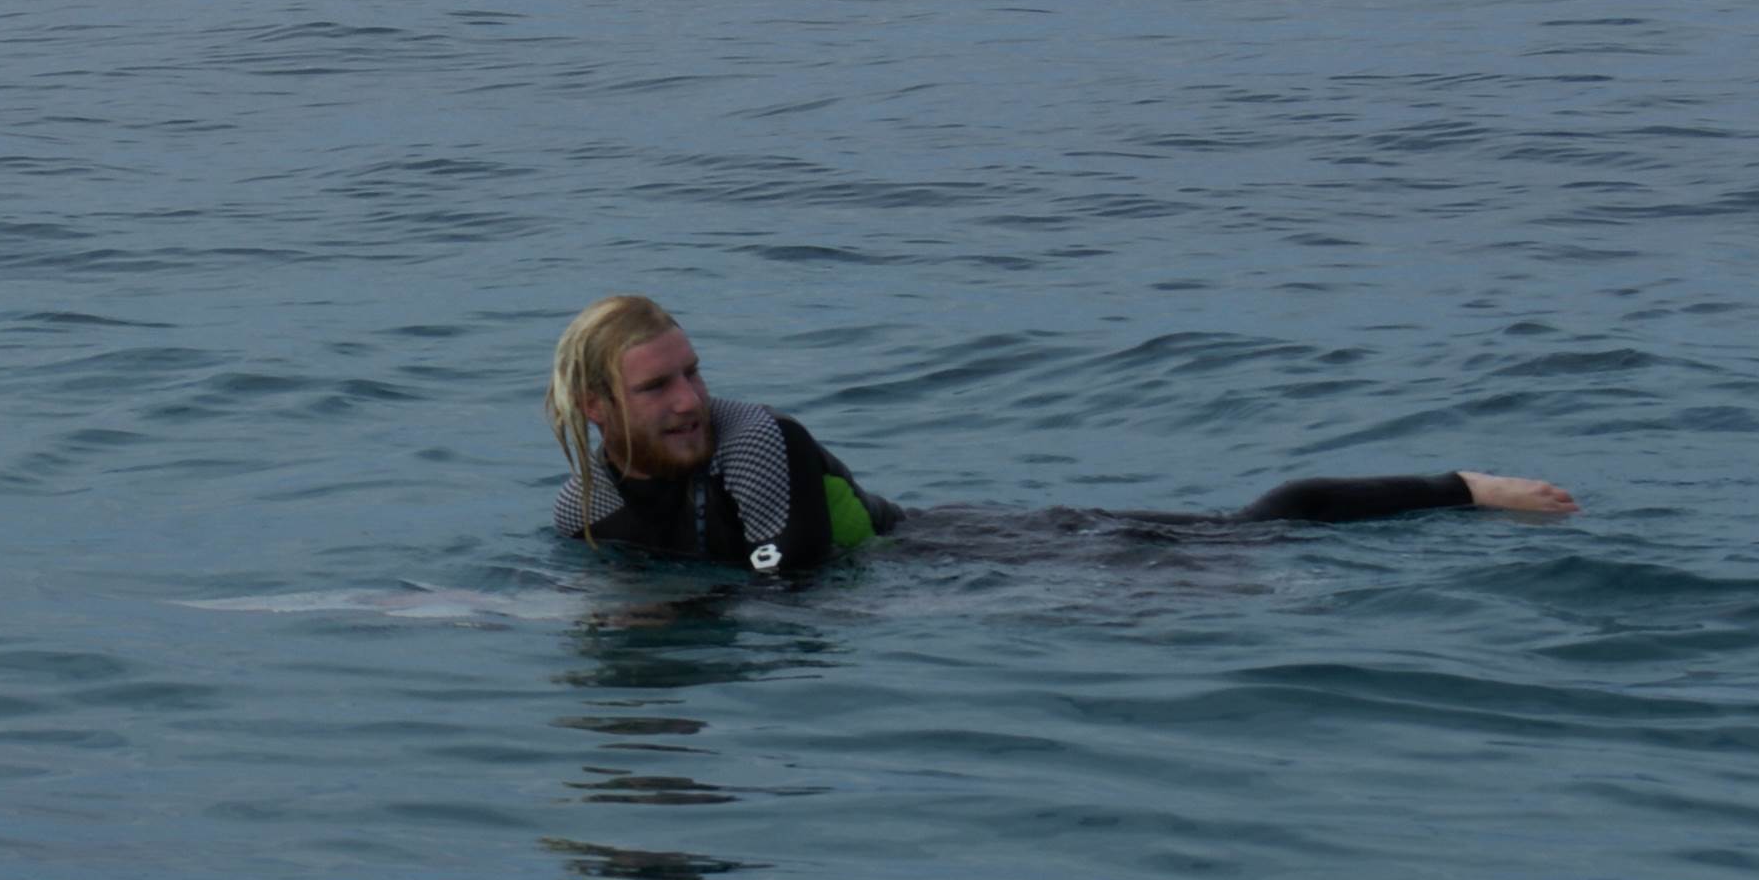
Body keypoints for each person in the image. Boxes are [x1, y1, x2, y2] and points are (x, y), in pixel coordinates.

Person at [546, 294, 1579, 574]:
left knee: (1257, 533)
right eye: (656, 386)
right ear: (597, 407)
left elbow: (788, 585)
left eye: (692, 370)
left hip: (970, 551)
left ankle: (1463, 486)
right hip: (941, 578)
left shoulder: (757, 438)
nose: (690, 397)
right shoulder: (583, 506)